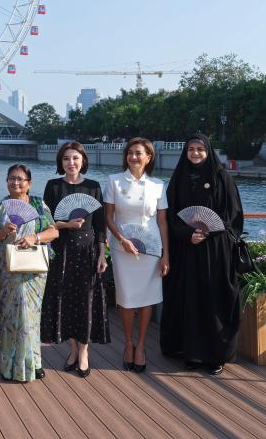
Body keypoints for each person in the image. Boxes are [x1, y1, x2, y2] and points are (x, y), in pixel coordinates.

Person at [161, 133, 244, 375]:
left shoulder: (222, 177)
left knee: (213, 299)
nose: (195, 153)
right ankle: (192, 354)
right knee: (190, 301)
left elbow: (233, 215)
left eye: (200, 149)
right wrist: (188, 234)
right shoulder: (179, 179)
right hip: (187, 250)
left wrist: (209, 231)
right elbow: (171, 216)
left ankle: (216, 355)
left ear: (208, 151)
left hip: (216, 251)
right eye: (191, 149)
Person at [41, 142, 110, 376]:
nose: (71, 163)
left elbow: (100, 225)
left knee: (86, 300)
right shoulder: (53, 186)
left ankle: (84, 352)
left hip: (87, 251)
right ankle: (72, 349)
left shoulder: (93, 187)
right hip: (61, 250)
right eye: (66, 159)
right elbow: (47, 222)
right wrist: (66, 224)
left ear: (83, 161)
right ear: (60, 162)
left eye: (75, 158)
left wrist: (102, 254)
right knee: (64, 299)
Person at [0, 163, 58, 381]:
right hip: (8, 271)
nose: (15, 182)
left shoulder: (38, 204)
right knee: (11, 317)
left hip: (34, 272)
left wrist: (34, 237)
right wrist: (2, 232)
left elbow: (53, 231)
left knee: (31, 317)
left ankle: (33, 363)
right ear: (6, 181)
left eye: (20, 179)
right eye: (11, 178)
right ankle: (10, 366)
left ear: (29, 183)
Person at [103, 137, 169, 374]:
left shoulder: (158, 185)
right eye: (130, 153)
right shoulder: (114, 181)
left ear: (149, 157)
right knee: (126, 298)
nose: (133, 157)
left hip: (150, 247)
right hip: (122, 247)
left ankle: (140, 346)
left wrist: (166, 255)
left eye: (138, 153)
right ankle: (128, 343)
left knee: (147, 297)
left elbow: (162, 222)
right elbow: (108, 217)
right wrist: (122, 239)